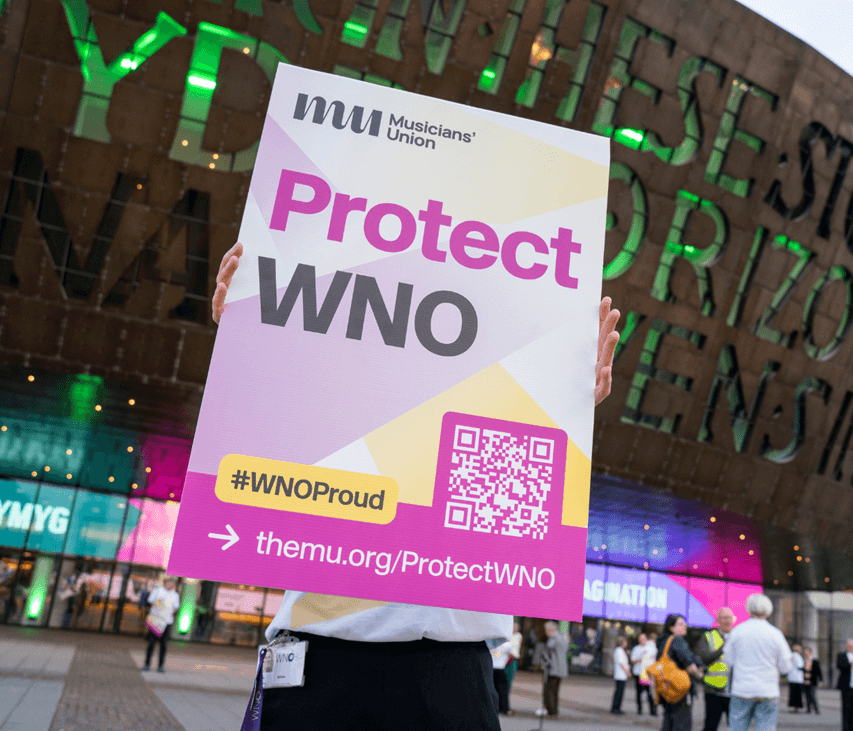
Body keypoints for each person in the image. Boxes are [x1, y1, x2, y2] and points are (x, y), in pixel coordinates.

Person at [214, 243, 622, 731]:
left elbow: (516, 512)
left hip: (451, 663)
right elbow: (266, 452)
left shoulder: (499, 368)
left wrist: (563, 407)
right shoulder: (344, 358)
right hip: (324, 649)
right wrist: (252, 348)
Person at [723, 593, 793, 731]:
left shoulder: (737, 631)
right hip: (767, 691)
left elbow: (728, 660)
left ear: (748, 609)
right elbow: (786, 666)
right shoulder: (775, 634)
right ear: (768, 610)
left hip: (742, 689)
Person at [655, 615, 705, 731]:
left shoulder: (663, 641)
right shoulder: (677, 640)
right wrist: (701, 676)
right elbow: (691, 665)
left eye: (684, 623)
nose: (684, 626)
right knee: (682, 724)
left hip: (666, 687)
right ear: (671, 628)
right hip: (680, 688)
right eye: (680, 624)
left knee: (668, 722)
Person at [696, 606, 735, 731]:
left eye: (729, 617)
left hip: (735, 691)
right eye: (724, 618)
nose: (727, 621)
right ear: (717, 620)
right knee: (710, 726)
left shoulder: (738, 636)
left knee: (736, 727)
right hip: (714, 691)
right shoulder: (708, 636)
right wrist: (725, 647)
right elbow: (705, 658)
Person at [143, 577, 181, 673]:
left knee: (163, 645)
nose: (171, 585)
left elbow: (176, 607)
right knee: (151, 643)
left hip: (167, 622)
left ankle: (160, 666)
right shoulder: (157, 591)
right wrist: (159, 605)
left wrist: (169, 611)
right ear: (165, 583)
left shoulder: (175, 595)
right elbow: (150, 601)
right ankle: (147, 664)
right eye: (170, 583)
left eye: (173, 584)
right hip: (156, 620)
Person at [538, 621, 569, 717]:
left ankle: (550, 709)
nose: (546, 632)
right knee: (555, 690)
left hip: (553, 668)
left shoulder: (553, 638)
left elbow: (546, 652)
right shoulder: (562, 637)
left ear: (550, 630)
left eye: (546, 630)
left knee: (549, 690)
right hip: (561, 668)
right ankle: (554, 709)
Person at [632, 633, 658, 716]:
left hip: (647, 673)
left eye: (643, 638)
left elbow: (655, 657)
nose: (642, 640)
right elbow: (632, 660)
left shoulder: (651, 648)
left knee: (649, 692)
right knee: (639, 692)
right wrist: (640, 659)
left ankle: (652, 711)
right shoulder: (636, 649)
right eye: (640, 639)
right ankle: (639, 710)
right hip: (639, 672)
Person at [488, 637, 513, 716]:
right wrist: (506, 662)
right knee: (503, 690)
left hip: (492, 668)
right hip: (500, 668)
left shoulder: (489, 642)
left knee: (492, 689)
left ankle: (493, 707)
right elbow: (512, 655)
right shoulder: (507, 644)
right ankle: (504, 708)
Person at [611, 635, 630, 714]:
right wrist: (627, 672)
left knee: (619, 692)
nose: (626, 643)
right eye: (625, 642)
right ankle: (616, 708)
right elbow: (621, 663)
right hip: (620, 675)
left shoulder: (620, 650)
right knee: (619, 692)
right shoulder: (619, 650)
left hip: (621, 675)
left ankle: (617, 707)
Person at [802, 646, 822, 714]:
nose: (806, 654)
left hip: (812, 681)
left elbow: (819, 671)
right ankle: (808, 709)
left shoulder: (815, 661)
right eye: (805, 653)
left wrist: (821, 680)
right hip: (805, 680)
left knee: (812, 695)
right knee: (807, 695)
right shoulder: (804, 661)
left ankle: (816, 709)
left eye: (807, 652)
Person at [787, 643, 805, 712]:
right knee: (797, 694)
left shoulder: (790, 655)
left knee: (792, 693)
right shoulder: (797, 656)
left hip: (792, 677)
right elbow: (800, 666)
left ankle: (793, 706)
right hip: (797, 677)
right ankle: (796, 707)